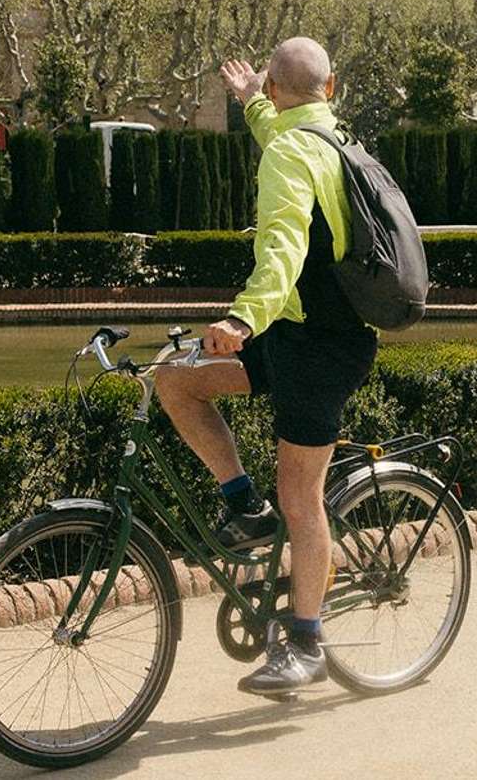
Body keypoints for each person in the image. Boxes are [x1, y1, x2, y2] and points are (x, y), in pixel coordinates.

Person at [151, 37, 379, 696]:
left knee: (300, 499)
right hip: (295, 332)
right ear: (330, 88)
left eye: (268, 93)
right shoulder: (331, 136)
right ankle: (242, 506)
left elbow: (282, 249)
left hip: (320, 344)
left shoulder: (290, 151)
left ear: (279, 91)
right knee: (176, 379)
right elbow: (281, 130)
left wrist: (242, 319)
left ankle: (306, 642)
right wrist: (252, 101)